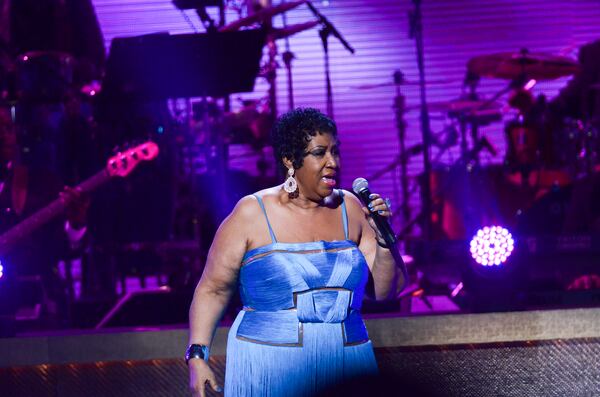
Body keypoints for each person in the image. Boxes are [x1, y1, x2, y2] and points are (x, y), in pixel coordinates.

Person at [187, 107, 404, 397]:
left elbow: (385, 293)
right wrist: (197, 357)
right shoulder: (252, 213)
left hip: (345, 360)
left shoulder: (350, 208)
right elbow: (212, 290)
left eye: (335, 152)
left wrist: (384, 241)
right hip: (270, 362)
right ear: (290, 160)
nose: (333, 162)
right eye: (320, 153)